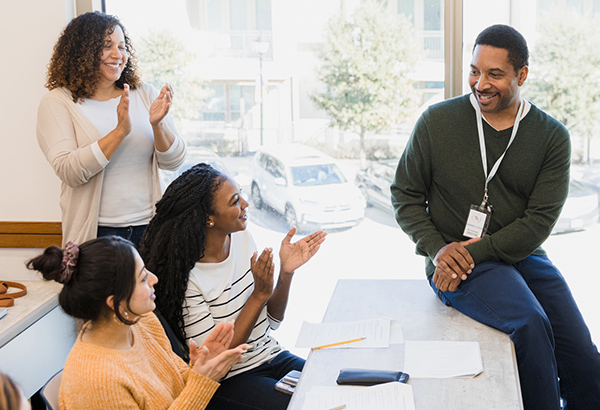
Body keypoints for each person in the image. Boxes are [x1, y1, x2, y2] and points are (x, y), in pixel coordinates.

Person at [391, 24, 600, 409]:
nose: (480, 83)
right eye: (474, 70)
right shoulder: (437, 122)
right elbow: (404, 195)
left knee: (585, 361)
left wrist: (475, 251)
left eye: (495, 74)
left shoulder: (552, 137)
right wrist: (439, 251)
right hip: (455, 263)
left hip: (522, 255)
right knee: (530, 325)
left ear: (522, 75)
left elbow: (538, 222)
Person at [140, 163, 327, 410]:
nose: (246, 205)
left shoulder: (241, 237)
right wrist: (259, 294)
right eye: (235, 201)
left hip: (271, 354)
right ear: (209, 218)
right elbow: (217, 360)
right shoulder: (188, 278)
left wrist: (286, 272)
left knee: (333, 386)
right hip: (232, 378)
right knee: (310, 405)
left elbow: (273, 321)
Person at [26, 236, 248, 409]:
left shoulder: (139, 321)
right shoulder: (97, 382)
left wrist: (199, 368)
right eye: (143, 278)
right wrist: (201, 383)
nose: (154, 279)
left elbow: (175, 384)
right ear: (115, 303)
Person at [37, 11, 186, 248]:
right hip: (96, 234)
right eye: (106, 46)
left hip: (149, 228)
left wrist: (157, 125)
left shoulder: (144, 93)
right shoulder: (58, 102)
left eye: (122, 46)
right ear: (82, 52)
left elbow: (174, 161)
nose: (118, 55)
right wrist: (119, 132)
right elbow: (69, 171)